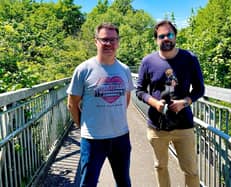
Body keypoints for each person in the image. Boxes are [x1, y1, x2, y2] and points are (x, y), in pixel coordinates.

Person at [136, 20, 205, 187]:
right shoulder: (148, 61)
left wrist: (185, 102)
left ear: (175, 36)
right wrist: (154, 102)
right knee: (160, 167)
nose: (166, 38)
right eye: (162, 36)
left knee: (191, 170)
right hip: (157, 126)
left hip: (184, 125)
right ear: (156, 40)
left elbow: (199, 89)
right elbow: (139, 91)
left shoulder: (189, 58)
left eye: (170, 34)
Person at [67, 22, 134, 187]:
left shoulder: (124, 70)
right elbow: (72, 103)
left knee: (124, 182)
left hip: (121, 137)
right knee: (88, 183)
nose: (109, 44)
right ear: (96, 41)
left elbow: (125, 98)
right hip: (93, 139)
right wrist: (83, 126)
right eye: (104, 40)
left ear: (118, 42)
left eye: (113, 40)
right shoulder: (84, 69)